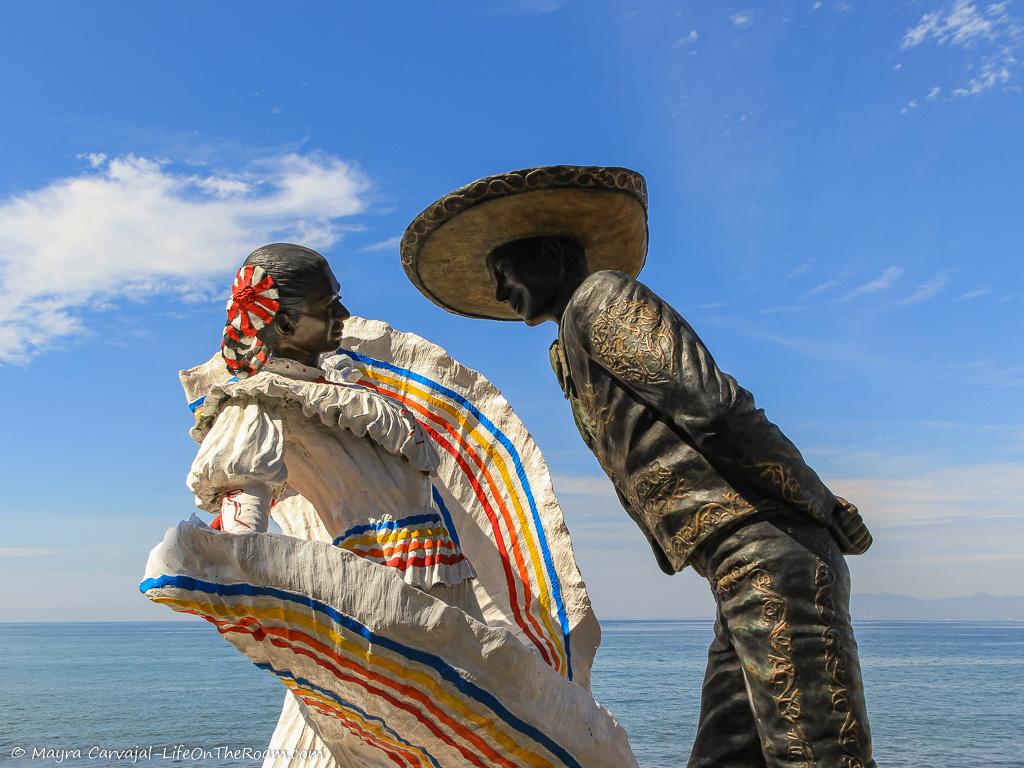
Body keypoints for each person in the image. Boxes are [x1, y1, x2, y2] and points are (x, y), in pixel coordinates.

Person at [400, 165, 876, 768]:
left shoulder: (602, 299)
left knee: (819, 756)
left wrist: (823, 505)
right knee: (725, 757)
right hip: (737, 563)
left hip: (769, 550)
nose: (500, 292)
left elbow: (717, 407)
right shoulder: (569, 342)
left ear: (550, 253)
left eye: (505, 273)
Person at [142, 242, 637, 768]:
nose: (344, 316)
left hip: (446, 597)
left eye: (339, 300)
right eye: (326, 308)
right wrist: (264, 589)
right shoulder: (259, 405)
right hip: (377, 607)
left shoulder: (352, 390)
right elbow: (244, 526)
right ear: (283, 324)